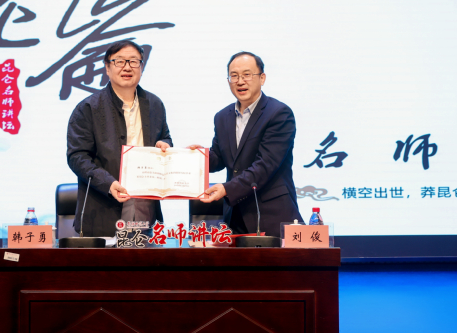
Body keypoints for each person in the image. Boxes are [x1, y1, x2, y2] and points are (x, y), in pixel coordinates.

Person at [191, 51, 303, 237]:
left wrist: (227, 189)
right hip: (235, 217)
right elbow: (219, 157)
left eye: (247, 75)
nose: (240, 81)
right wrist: (194, 158)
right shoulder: (222, 117)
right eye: (234, 76)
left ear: (262, 78)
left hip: (271, 215)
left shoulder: (279, 114)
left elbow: (265, 165)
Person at [66, 40, 172, 237]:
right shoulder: (88, 108)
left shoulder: (155, 104)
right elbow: (77, 157)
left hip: (145, 209)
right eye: (119, 61)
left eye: (133, 61)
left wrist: (165, 145)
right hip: (102, 209)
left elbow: (165, 137)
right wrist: (108, 183)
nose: (127, 67)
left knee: (144, 256)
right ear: (107, 68)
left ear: (141, 67)